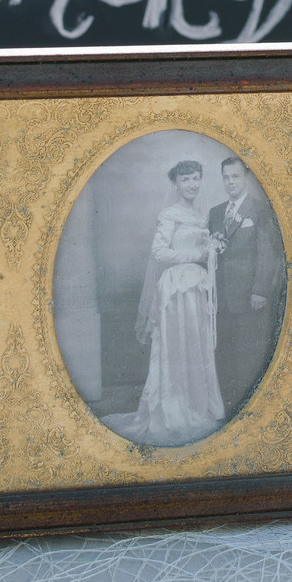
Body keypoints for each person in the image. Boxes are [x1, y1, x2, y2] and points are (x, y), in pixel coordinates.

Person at [115, 159, 228, 446]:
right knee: (175, 347)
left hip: (197, 287)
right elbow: (159, 253)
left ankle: (197, 406)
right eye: (185, 180)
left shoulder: (202, 215)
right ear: (175, 185)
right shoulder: (170, 214)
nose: (191, 184)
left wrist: (210, 249)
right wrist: (196, 255)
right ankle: (173, 410)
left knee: (196, 346)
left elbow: (202, 250)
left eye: (195, 178)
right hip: (177, 288)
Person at [208, 154, 285, 410]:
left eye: (235, 176)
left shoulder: (260, 209)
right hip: (221, 298)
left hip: (250, 296)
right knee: (225, 354)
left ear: (247, 178)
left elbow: (267, 252)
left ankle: (249, 409)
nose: (230, 182)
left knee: (248, 354)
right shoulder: (216, 213)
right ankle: (229, 408)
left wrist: (260, 291)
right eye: (226, 177)